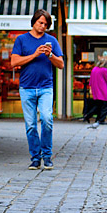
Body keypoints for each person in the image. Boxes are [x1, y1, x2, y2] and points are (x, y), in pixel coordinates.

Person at [11, 9, 64, 170]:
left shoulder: (52, 40)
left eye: (46, 24)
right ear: (33, 22)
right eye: (40, 23)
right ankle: (35, 158)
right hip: (27, 88)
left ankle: (47, 156)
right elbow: (14, 62)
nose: (43, 26)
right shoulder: (21, 39)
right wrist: (34, 54)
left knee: (47, 119)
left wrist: (50, 55)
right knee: (31, 124)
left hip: (45, 87)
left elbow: (61, 64)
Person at [84, 58, 107, 129]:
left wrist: (91, 88)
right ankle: (101, 120)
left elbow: (91, 79)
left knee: (97, 105)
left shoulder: (94, 69)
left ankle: (88, 115)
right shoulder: (104, 70)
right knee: (104, 106)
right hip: (103, 90)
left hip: (95, 89)